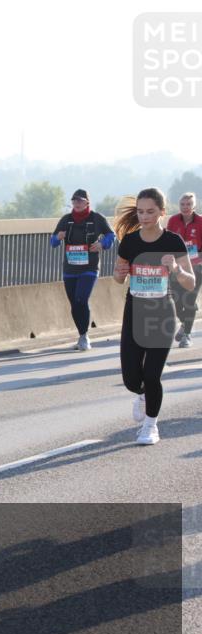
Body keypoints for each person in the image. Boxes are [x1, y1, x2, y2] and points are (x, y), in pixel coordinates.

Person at [112, 188, 195, 445]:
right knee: (131, 378)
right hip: (134, 313)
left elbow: (190, 283)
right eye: (140, 211)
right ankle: (141, 394)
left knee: (152, 374)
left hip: (162, 314)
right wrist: (120, 272)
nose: (144, 216)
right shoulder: (130, 241)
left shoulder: (173, 242)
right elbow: (118, 278)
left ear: (162, 212)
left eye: (150, 211)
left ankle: (150, 426)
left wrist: (178, 269)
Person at [49, 189, 115, 351]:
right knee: (74, 303)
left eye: (80, 201)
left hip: (89, 267)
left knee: (81, 299)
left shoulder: (97, 218)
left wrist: (102, 244)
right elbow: (53, 241)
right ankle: (81, 335)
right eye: (74, 201)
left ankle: (85, 337)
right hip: (70, 268)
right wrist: (58, 238)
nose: (77, 204)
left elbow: (111, 235)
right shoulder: (66, 220)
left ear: (87, 202)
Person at [166, 192, 202, 348]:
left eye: (188, 204)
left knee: (189, 302)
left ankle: (186, 334)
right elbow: (167, 242)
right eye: (183, 204)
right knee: (175, 301)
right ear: (179, 205)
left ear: (194, 206)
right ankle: (185, 320)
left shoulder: (200, 222)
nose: (185, 207)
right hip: (178, 268)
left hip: (197, 268)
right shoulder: (173, 221)